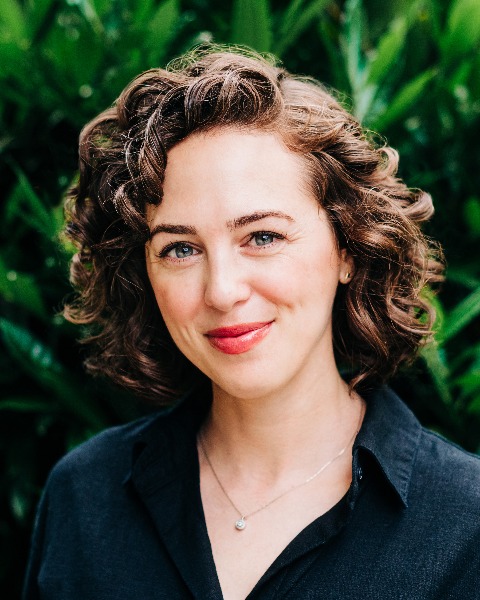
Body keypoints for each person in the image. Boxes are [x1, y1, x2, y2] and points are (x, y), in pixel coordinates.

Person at [23, 47, 479, 600]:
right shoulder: (84, 497)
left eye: (262, 237)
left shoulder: (466, 525)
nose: (221, 291)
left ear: (348, 248)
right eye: (180, 248)